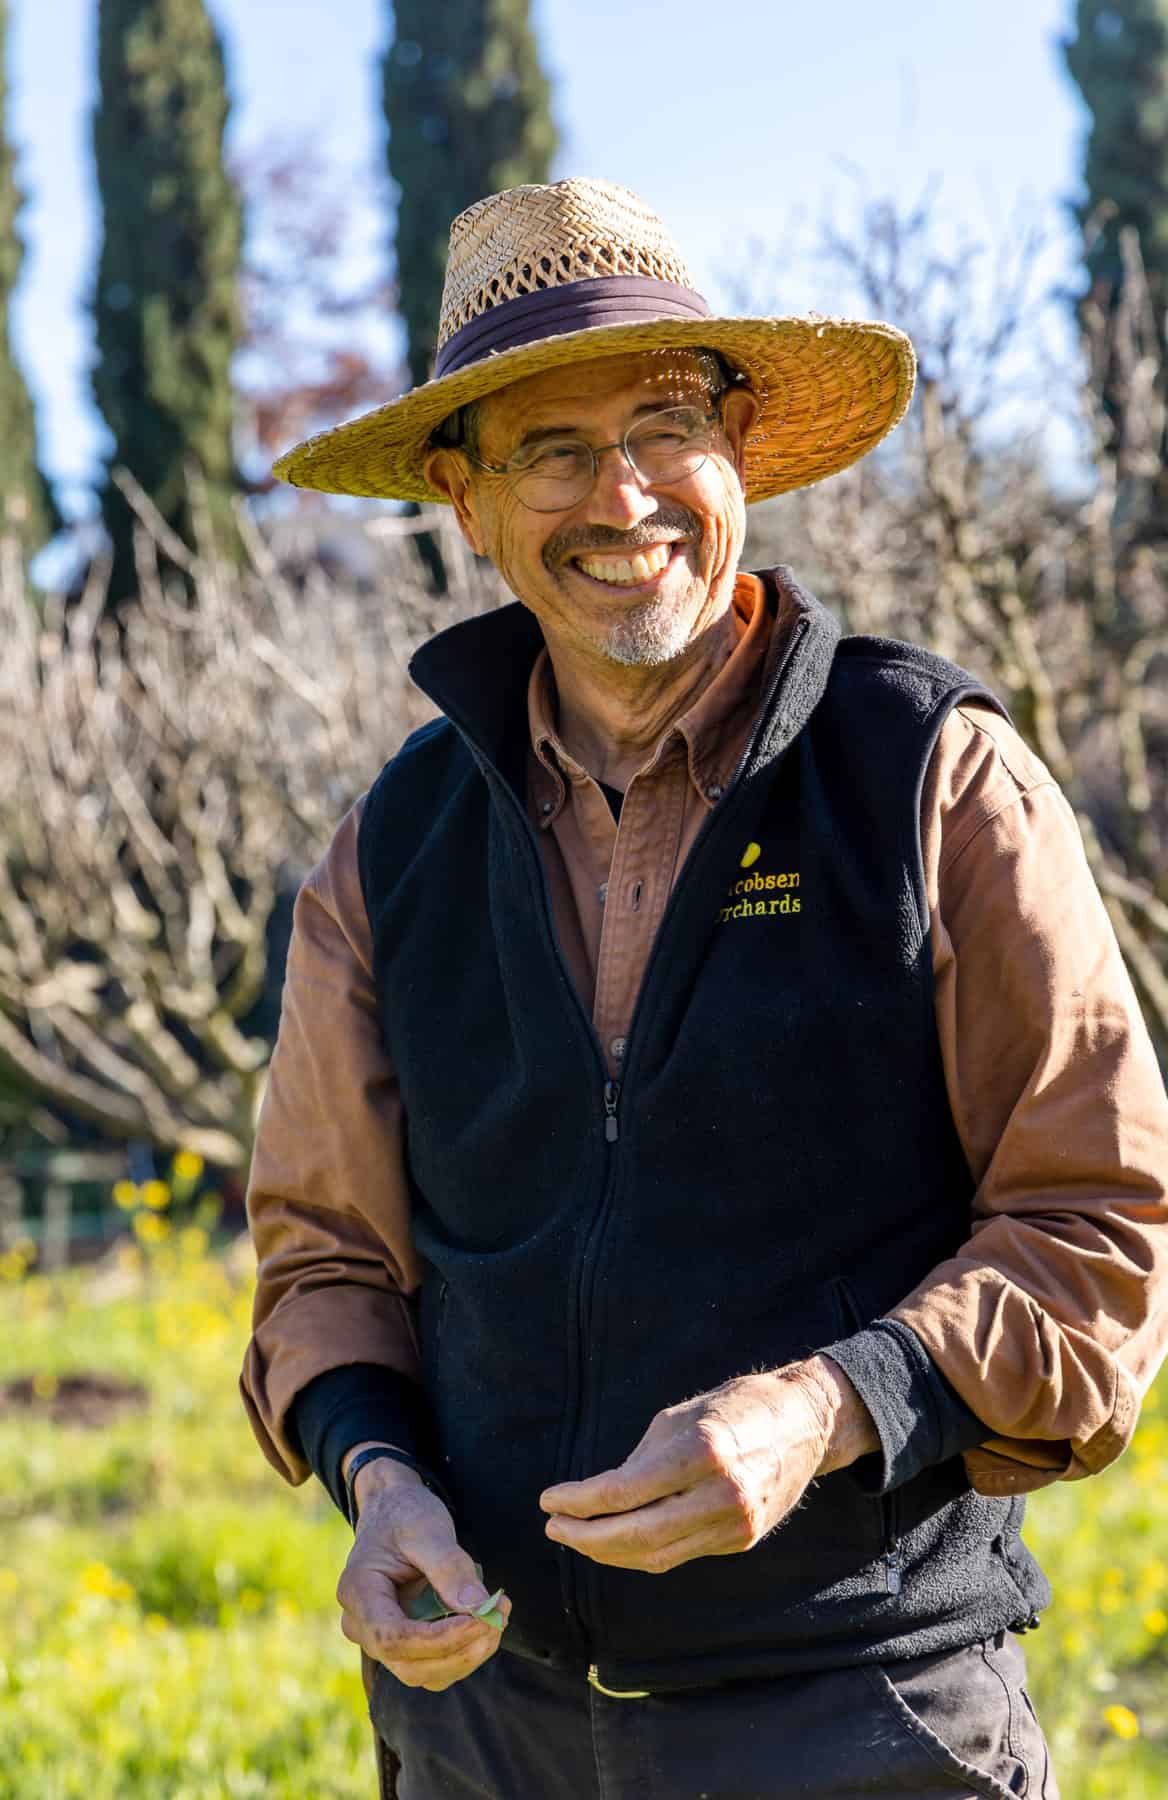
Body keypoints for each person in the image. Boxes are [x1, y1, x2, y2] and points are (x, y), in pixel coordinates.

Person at [241, 179, 1168, 1799]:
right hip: (484, 1729)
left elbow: (1101, 1233)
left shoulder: (935, 779)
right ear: (465, 500)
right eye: (551, 448)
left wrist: (828, 1409)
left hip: (864, 1721)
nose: (624, 494)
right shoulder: (389, 849)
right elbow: (323, 1255)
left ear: (741, 443)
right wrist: (375, 1477)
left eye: (666, 422)